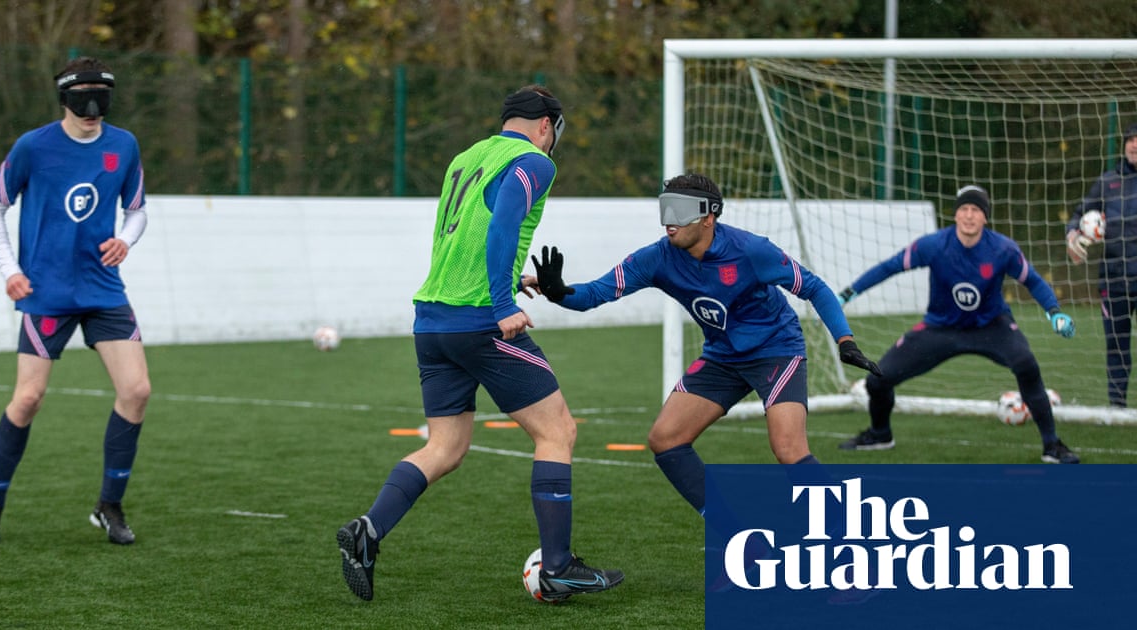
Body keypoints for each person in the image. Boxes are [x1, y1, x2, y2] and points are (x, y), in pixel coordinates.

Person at [335, 85, 623, 603]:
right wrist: (501, 303)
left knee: (444, 448)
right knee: (558, 431)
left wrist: (513, 280)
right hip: (479, 322)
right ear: (545, 126)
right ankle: (558, 566)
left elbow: (464, 237)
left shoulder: (465, 158)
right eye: (555, 132)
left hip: (432, 323)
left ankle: (367, 530)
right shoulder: (533, 161)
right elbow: (504, 223)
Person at [527, 172, 882, 518]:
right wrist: (559, 292)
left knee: (789, 449)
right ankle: (730, 525)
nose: (669, 222)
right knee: (665, 439)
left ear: (708, 216)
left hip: (776, 349)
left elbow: (814, 288)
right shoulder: (656, 258)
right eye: (666, 210)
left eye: (679, 212)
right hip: (722, 356)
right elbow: (595, 294)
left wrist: (844, 340)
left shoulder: (751, 250)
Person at [0, 57, 151, 545]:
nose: (92, 110)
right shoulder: (34, 146)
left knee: (136, 391)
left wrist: (126, 241)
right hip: (46, 293)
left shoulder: (124, 145)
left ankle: (109, 506)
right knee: (28, 399)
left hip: (102, 291)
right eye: (81, 100)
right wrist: (11, 271)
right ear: (64, 100)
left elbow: (136, 211)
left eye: (101, 99)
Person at [837, 185, 1080, 463]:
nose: (968, 215)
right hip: (941, 328)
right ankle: (880, 434)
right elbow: (889, 267)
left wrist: (1054, 312)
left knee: (1026, 363)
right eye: (963, 209)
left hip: (991, 327)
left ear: (985, 217)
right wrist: (848, 294)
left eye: (975, 210)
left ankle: (1052, 445)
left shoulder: (1002, 249)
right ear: (955, 215)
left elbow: (1033, 281)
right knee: (878, 380)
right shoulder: (933, 245)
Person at [1067, 122, 1137, 408]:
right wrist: (1073, 233)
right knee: (1117, 345)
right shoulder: (1108, 181)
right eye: (1131, 140)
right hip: (1115, 277)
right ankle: (1117, 405)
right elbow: (1080, 213)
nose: (1134, 145)